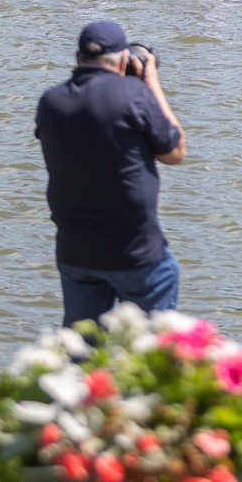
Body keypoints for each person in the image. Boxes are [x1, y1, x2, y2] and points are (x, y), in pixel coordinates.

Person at [35, 20, 187, 327]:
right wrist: (151, 82)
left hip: (75, 251)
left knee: (81, 346)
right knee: (149, 349)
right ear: (122, 60)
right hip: (136, 253)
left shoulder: (50, 101)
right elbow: (174, 152)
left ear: (78, 58)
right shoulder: (134, 94)